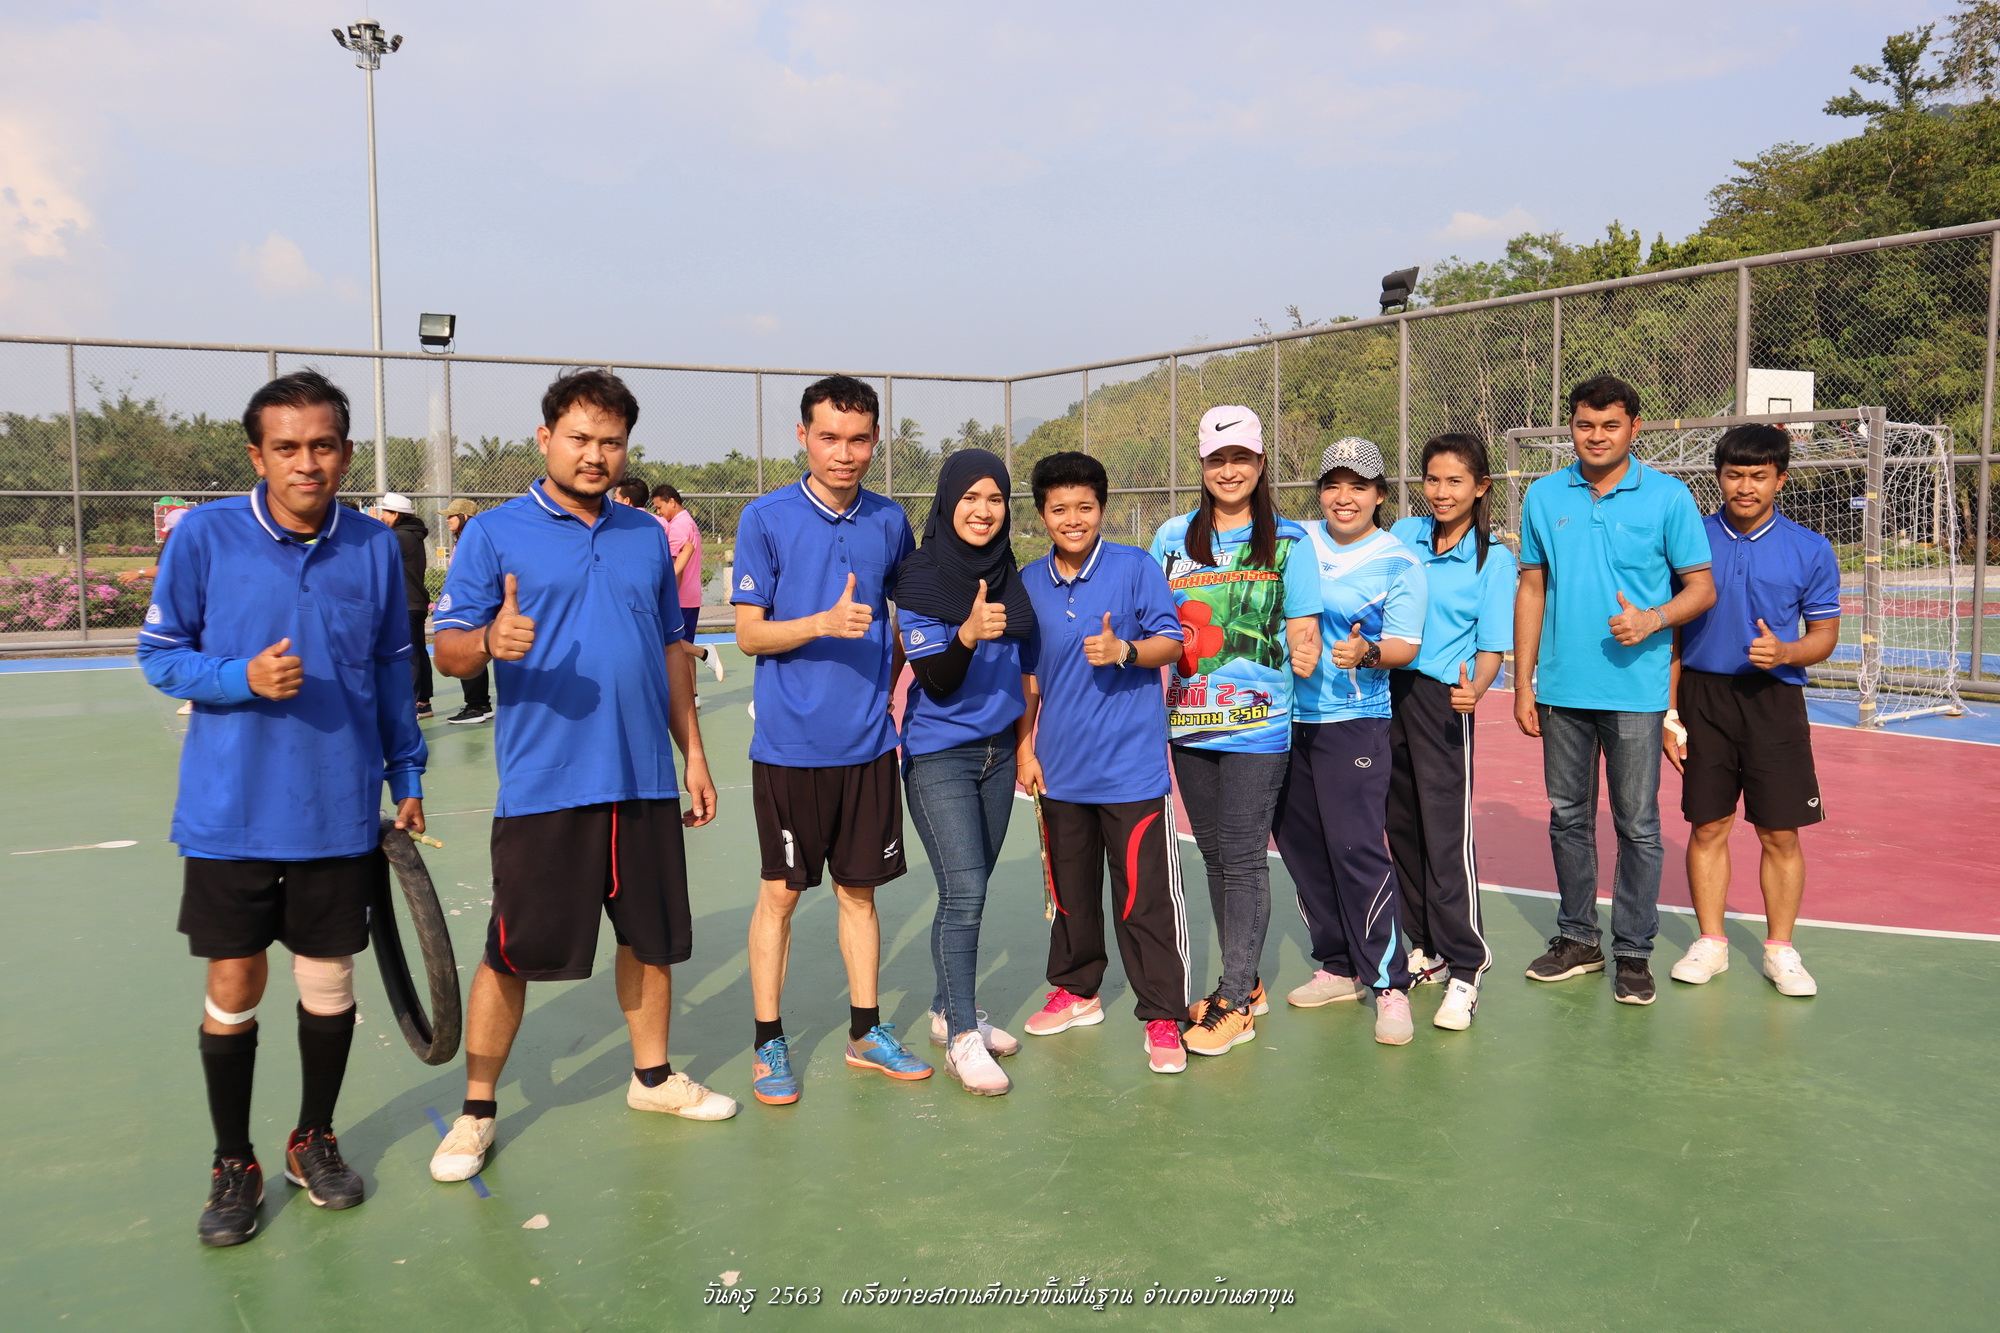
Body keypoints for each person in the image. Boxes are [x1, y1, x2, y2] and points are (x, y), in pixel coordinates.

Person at [137, 369, 427, 1247]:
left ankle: (313, 1138)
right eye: (288, 447)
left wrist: (407, 774)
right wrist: (241, 677)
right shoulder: (206, 536)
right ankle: (234, 1160)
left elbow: (391, 668)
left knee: (328, 981)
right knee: (234, 981)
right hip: (230, 812)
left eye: (324, 445)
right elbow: (160, 654)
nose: (308, 462)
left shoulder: (373, 546)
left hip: (338, 808)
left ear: (346, 451)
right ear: (257, 455)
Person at [427, 369, 734, 1185]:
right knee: (513, 952)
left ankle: (653, 1077)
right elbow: (447, 649)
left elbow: (671, 649)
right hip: (547, 785)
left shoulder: (646, 536)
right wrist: (487, 641)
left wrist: (694, 753)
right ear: (545, 439)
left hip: (644, 778)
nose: (595, 455)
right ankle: (477, 1109)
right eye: (579, 438)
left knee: (652, 941)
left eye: (611, 442)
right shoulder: (495, 534)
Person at [731, 374, 929, 1106]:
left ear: (875, 441)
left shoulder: (889, 520)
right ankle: (768, 1040)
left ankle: (865, 1032)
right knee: (780, 894)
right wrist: (822, 623)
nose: (843, 453)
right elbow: (748, 633)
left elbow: (908, 619)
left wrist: (885, 679)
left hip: (869, 746)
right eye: (828, 437)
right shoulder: (765, 518)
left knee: (859, 894)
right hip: (790, 750)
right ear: (803, 437)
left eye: (858, 439)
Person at [1514, 374, 1717, 1005]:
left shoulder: (1669, 496)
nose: (1596, 436)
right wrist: (1523, 681)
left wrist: (1652, 619)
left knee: (1638, 825)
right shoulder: (1544, 495)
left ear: (1634, 427)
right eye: (1584, 424)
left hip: (1635, 692)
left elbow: (1701, 588)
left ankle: (1633, 951)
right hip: (1561, 688)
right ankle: (1578, 940)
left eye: (1610, 425)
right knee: (1568, 818)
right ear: (1571, 427)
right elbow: (1532, 589)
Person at [1148, 405, 1320, 1057]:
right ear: (1201, 465)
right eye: (1217, 459)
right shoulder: (1172, 537)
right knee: (1216, 856)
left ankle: (1235, 1000)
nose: (1229, 470)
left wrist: (1307, 650)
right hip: (1189, 724)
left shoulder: (1291, 542)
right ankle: (1243, 981)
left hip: (1258, 727)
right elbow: (1155, 625)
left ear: (1260, 462)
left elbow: (1302, 628)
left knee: (1244, 857)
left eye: (1241, 458)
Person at [1017, 451, 1193, 1075]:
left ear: (1101, 509)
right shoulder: (1029, 581)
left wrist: (1125, 650)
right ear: (1043, 515)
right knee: (1070, 895)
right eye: (1059, 509)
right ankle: (1077, 990)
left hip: (1130, 771)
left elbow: (1172, 641)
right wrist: (1025, 747)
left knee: (1143, 900)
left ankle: (1163, 1014)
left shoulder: (1135, 567)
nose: (1073, 519)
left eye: (1085, 507)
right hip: (1060, 771)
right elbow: (1028, 677)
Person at [1665, 424, 1840, 997]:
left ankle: (1780, 950)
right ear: (1719, 477)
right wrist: (1670, 713)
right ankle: (1711, 942)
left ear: (1780, 479)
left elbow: (1825, 635)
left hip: (1774, 701)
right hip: (1702, 698)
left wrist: (1786, 652)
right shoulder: (1690, 539)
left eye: (1758, 476)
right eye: (1734, 475)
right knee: (1708, 825)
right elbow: (1670, 638)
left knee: (1779, 832)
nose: (1745, 487)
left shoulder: (1810, 549)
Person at [1273, 437, 1428, 1045]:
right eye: (1333, 485)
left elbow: (1405, 646)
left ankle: (1389, 983)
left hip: (1353, 722)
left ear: (1379, 495)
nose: (1344, 497)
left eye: (1358, 487)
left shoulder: (1398, 562)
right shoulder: (1293, 540)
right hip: (1280, 720)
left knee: (1357, 850)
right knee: (1302, 850)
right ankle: (1338, 966)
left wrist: (1366, 652)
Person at [893, 448, 1035, 1095]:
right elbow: (937, 680)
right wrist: (970, 633)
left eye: (995, 498)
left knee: (963, 893)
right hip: (939, 755)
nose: (983, 510)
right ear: (948, 502)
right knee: (967, 890)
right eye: (970, 498)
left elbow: (1028, 668)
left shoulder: (1009, 574)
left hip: (998, 753)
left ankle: (946, 1007)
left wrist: (1024, 747)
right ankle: (961, 1040)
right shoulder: (921, 577)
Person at [1386, 434, 1518, 1031]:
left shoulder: (1494, 560)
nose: (1441, 492)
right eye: (1433, 480)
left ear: (1481, 487)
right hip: (1385, 692)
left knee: (1445, 837)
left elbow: (1491, 648)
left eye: (1455, 481)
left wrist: (1479, 688)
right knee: (1401, 828)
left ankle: (1467, 965)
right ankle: (1427, 950)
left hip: (1443, 700)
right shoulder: (1404, 535)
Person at [653, 484, 726, 686]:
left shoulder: (678, 527)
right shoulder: (689, 522)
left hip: (681, 596)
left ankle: (704, 653)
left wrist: (667, 595)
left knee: (670, 641)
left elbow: (677, 566)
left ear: (671, 502)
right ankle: (693, 695)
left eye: (659, 507)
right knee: (685, 646)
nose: (658, 512)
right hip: (691, 595)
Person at [369, 492, 433, 720]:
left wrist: (374, 528)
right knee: (418, 652)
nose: (382, 517)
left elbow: (376, 554)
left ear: (396, 514)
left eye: (385, 513)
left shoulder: (399, 537)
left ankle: (415, 703)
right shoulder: (412, 535)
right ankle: (423, 702)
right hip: (415, 601)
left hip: (406, 602)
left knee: (410, 655)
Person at [438, 498, 493, 724]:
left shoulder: (473, 540)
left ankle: (477, 706)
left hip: (472, 604)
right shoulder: (464, 539)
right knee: (472, 651)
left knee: (467, 651)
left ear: (465, 517)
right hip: (467, 602)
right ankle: (480, 704)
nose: (447, 520)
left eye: (451, 515)